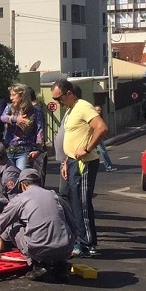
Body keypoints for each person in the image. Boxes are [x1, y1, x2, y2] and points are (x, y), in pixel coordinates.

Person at [0, 168, 77, 283]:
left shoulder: (20, 200)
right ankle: (60, 265)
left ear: (23, 185)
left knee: (11, 226)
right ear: (40, 183)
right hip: (65, 248)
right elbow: (74, 228)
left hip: (39, 250)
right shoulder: (55, 196)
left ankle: (36, 265)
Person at [52, 79, 108, 258]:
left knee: (81, 203)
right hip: (73, 162)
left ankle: (86, 244)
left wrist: (87, 149)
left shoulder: (83, 106)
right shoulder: (70, 110)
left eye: (58, 98)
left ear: (69, 93)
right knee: (73, 201)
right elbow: (74, 137)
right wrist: (66, 161)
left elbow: (101, 128)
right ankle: (80, 240)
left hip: (85, 163)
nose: (57, 102)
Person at [1, 83, 45, 171]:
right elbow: (2, 117)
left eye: (14, 95)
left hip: (25, 151)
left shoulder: (35, 111)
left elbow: (39, 132)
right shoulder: (9, 108)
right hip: (9, 149)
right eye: (10, 95)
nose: (11, 98)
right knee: (10, 178)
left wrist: (37, 150)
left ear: (22, 96)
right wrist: (15, 119)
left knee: (22, 178)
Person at [93, 105, 116, 172]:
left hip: (99, 137)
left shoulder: (99, 118)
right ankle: (108, 167)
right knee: (103, 152)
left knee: (96, 152)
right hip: (96, 137)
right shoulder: (94, 118)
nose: (99, 112)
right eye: (97, 110)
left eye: (100, 110)